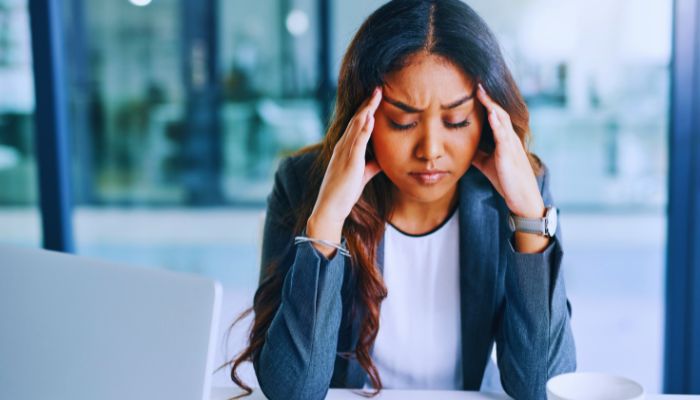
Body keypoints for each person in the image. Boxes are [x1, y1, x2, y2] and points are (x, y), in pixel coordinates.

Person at [225, 1, 576, 399]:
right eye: (403, 121)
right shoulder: (302, 183)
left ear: (486, 118)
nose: (430, 150)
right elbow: (293, 390)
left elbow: (542, 387)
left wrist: (529, 217)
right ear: (364, 117)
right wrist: (326, 221)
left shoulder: (517, 192)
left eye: (457, 121)